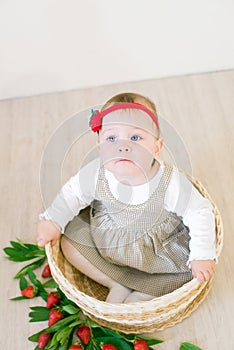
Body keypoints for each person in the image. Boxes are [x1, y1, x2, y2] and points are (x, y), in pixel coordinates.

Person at [36, 92, 217, 303]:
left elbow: (199, 211)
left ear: (157, 147)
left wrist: (202, 255)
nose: (123, 146)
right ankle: (115, 282)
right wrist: (53, 220)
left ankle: (144, 292)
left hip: (157, 255)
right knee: (70, 240)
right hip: (109, 244)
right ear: (100, 146)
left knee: (188, 272)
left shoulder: (169, 182)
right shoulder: (96, 173)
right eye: (111, 138)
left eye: (135, 138)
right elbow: (72, 193)